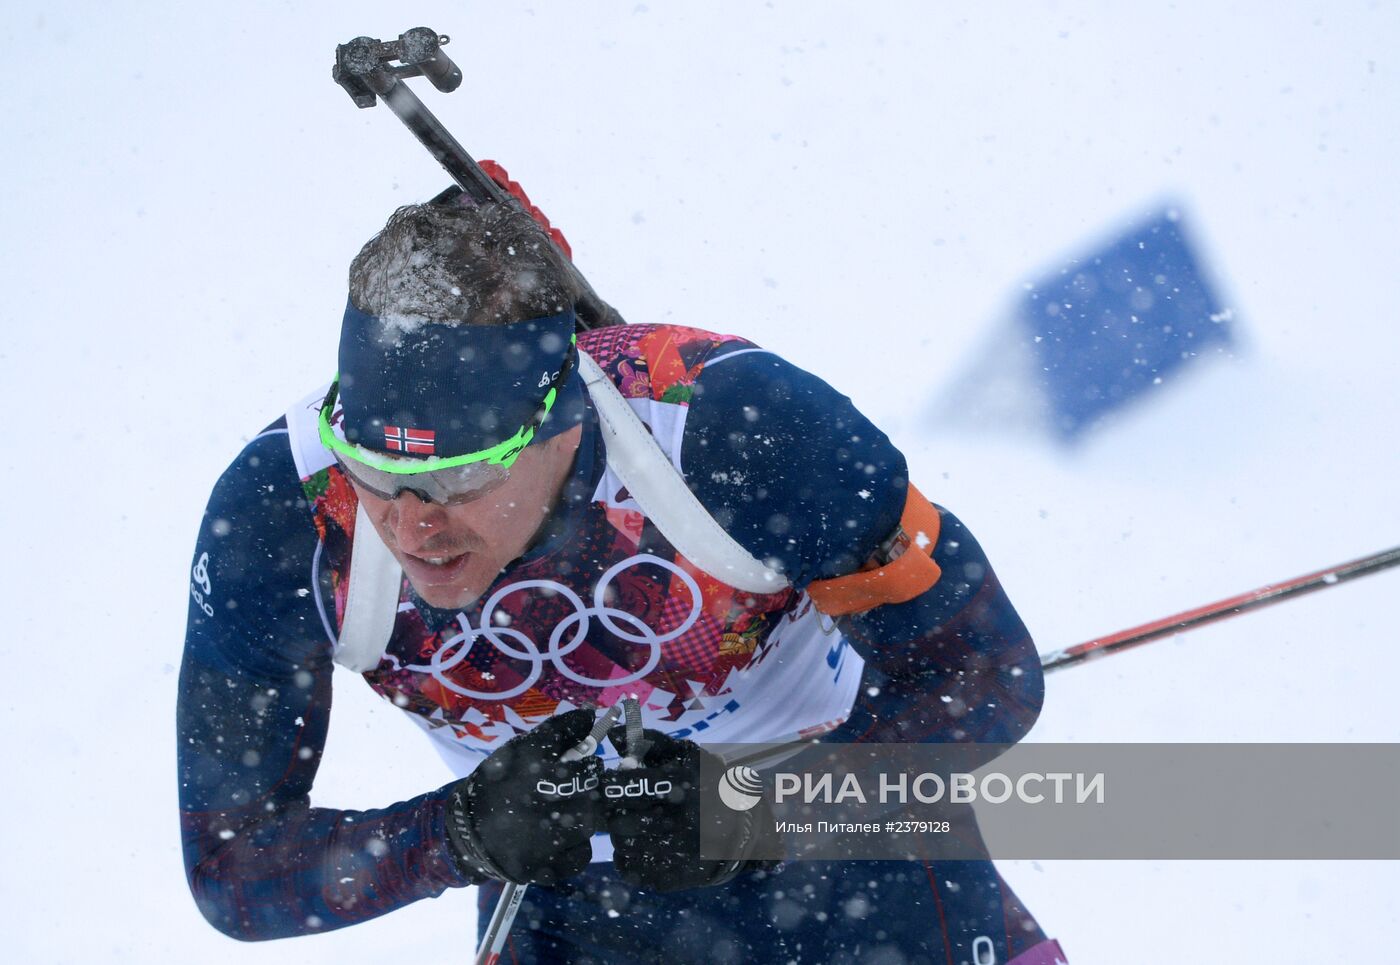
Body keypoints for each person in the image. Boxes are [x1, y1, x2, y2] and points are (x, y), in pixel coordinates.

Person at [178, 176, 1067, 963]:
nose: (413, 526)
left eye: (459, 477)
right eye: (371, 467)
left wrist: (762, 810)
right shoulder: (285, 519)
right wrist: (460, 833)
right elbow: (235, 867)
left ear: (564, 419)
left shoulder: (724, 421)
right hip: (567, 909)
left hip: (861, 864)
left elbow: (984, 673)